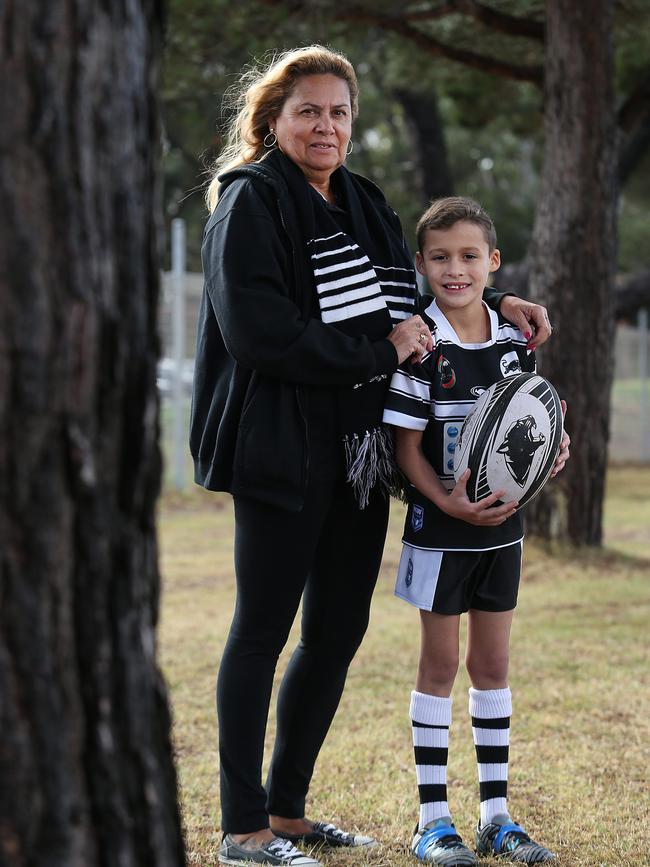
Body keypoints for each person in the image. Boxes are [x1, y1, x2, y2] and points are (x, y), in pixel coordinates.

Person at [190, 46, 566, 867]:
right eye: (308, 112)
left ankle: (288, 813)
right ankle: (242, 826)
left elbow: (414, 294)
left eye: (338, 113)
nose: (326, 126)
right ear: (273, 119)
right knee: (262, 628)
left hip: (360, 453)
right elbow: (260, 334)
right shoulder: (247, 203)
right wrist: (376, 352)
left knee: (335, 631)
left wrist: (497, 299)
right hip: (283, 449)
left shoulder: (361, 199)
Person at [383, 197, 563, 865]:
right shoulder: (421, 344)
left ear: (492, 262)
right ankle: (432, 819)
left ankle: (496, 813)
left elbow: (532, 427)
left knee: (492, 666)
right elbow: (405, 451)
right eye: (439, 257)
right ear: (423, 264)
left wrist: (554, 451)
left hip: (501, 536)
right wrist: (448, 503)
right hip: (441, 534)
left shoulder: (514, 340)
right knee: (440, 666)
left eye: (467, 256)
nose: (453, 269)